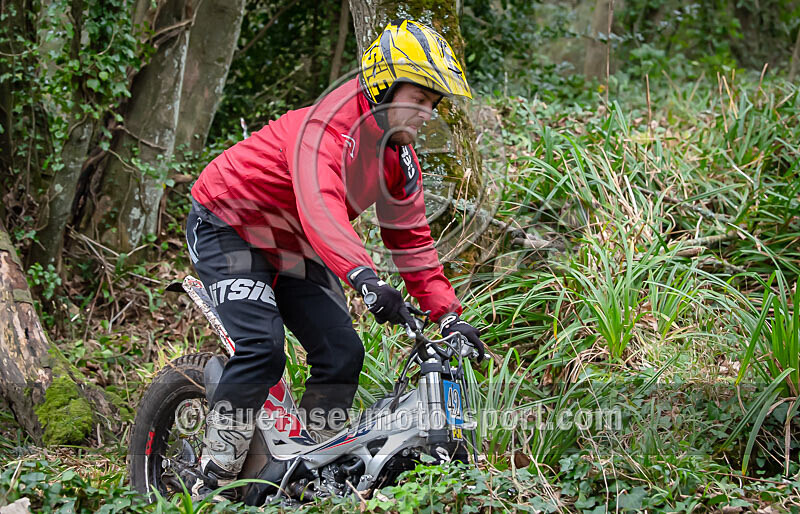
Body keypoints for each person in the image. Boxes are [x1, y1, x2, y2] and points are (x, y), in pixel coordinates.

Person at [185, 19, 484, 499]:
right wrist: (364, 277)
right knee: (262, 347)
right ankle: (211, 472)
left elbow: (412, 242)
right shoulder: (328, 125)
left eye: (434, 104)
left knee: (342, 351)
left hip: (294, 246)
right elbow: (321, 204)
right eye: (420, 98)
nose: (427, 113)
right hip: (230, 225)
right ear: (385, 84)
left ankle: (317, 467)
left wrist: (447, 316)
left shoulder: (399, 161)